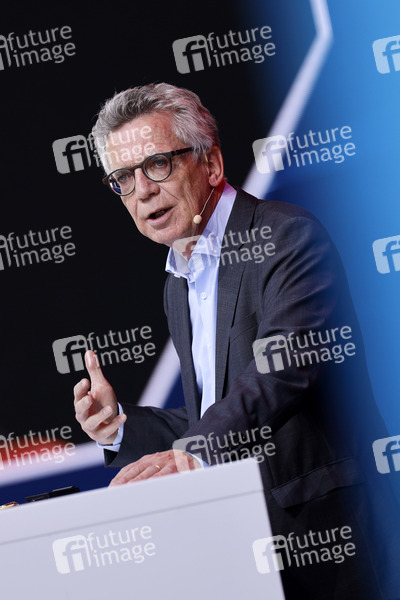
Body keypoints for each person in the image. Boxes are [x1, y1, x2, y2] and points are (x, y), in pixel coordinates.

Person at [74, 83, 399, 599]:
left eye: (157, 164)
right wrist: (120, 427)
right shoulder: (177, 282)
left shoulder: (285, 236)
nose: (142, 191)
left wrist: (193, 451)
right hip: (244, 548)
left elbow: (280, 374)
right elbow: (213, 410)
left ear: (211, 163)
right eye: (123, 179)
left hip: (328, 539)